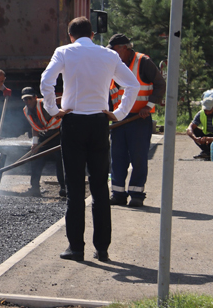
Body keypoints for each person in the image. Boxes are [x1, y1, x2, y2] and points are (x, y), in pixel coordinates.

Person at [40, 16, 139, 263]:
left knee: (74, 188)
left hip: (73, 122)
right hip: (99, 123)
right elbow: (133, 85)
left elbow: (46, 81)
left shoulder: (64, 51)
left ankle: (76, 248)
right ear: (93, 34)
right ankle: (102, 248)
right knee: (99, 188)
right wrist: (117, 114)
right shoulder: (109, 56)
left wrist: (54, 110)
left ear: (70, 35)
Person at [107, 34, 166, 208]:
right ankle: (117, 193)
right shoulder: (112, 65)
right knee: (117, 158)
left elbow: (160, 84)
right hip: (118, 121)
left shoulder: (143, 62)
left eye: (115, 50)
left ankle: (137, 194)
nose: (113, 54)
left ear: (125, 48)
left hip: (139, 119)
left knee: (138, 157)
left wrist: (148, 106)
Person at [21, 87, 65, 197]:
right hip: (44, 137)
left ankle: (64, 188)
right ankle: (35, 188)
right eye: (25, 99)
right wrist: (35, 143)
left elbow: (60, 100)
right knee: (36, 159)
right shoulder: (26, 110)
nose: (28, 102)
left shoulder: (44, 103)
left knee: (60, 161)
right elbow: (34, 126)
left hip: (58, 134)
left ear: (35, 97)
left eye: (30, 99)